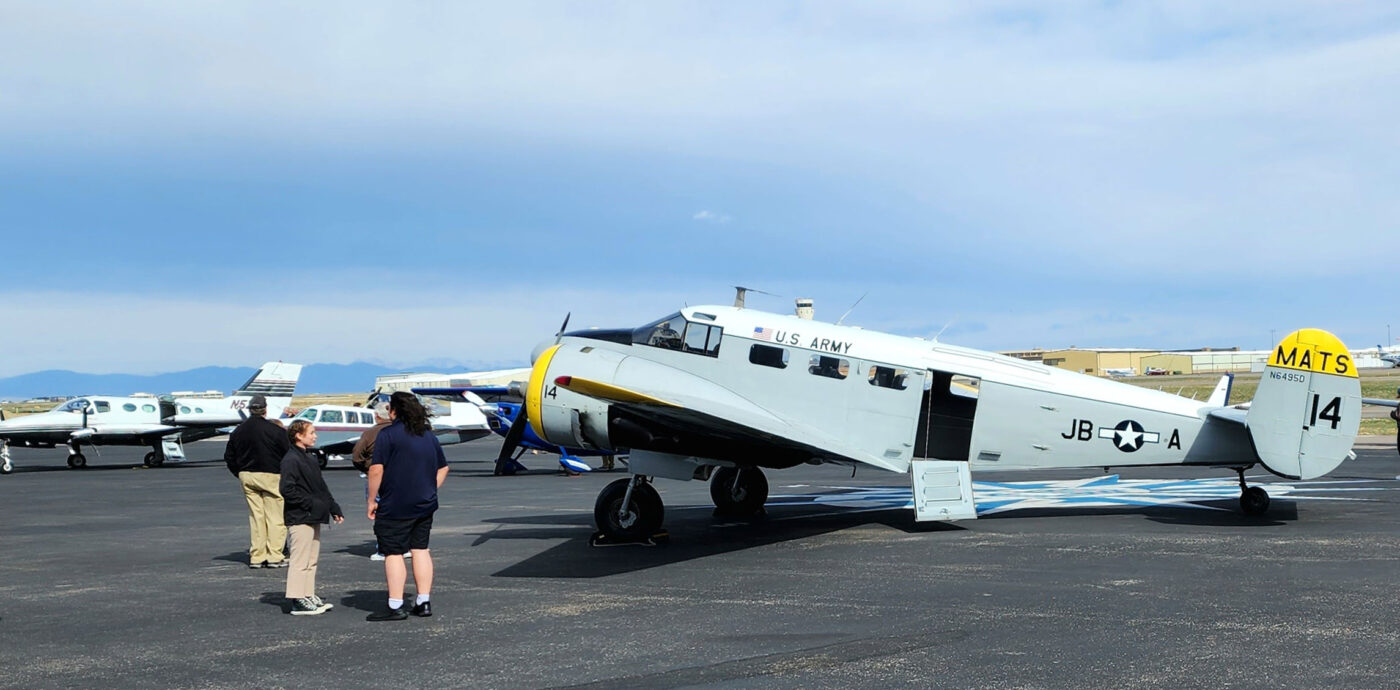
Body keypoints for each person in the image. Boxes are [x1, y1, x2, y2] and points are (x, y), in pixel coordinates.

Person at [365, 392, 448, 621]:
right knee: (420, 549)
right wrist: (431, 489)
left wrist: (372, 500)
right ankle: (423, 600)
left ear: (395, 411)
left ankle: (395, 604)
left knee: (393, 552)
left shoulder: (388, 435)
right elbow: (443, 468)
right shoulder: (428, 435)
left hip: (395, 503)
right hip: (425, 502)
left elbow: (376, 469)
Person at [280, 420, 344, 615]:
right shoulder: (291, 459)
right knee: (300, 559)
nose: (315, 436)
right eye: (312, 432)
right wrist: (311, 504)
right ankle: (297, 598)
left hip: (314, 515)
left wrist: (333, 507)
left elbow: (320, 486)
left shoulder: (309, 458)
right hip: (300, 516)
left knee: (311, 558)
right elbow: (287, 489)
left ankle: (307, 594)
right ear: (298, 435)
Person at [223, 394, 290, 569]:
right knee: (275, 516)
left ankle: (257, 556)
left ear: (250, 410)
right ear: (265, 410)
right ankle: (275, 555)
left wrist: (239, 472)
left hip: (247, 475)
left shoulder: (238, 431)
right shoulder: (275, 430)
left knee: (256, 517)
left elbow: (229, 456)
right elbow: (288, 454)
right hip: (271, 475)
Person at [352, 403, 394, 560]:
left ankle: (384, 548)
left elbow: (357, 455)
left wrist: (365, 469)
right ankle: (405, 545)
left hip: (376, 477)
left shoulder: (370, 433)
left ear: (377, 416)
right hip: (400, 479)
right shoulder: (402, 431)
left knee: (379, 511)